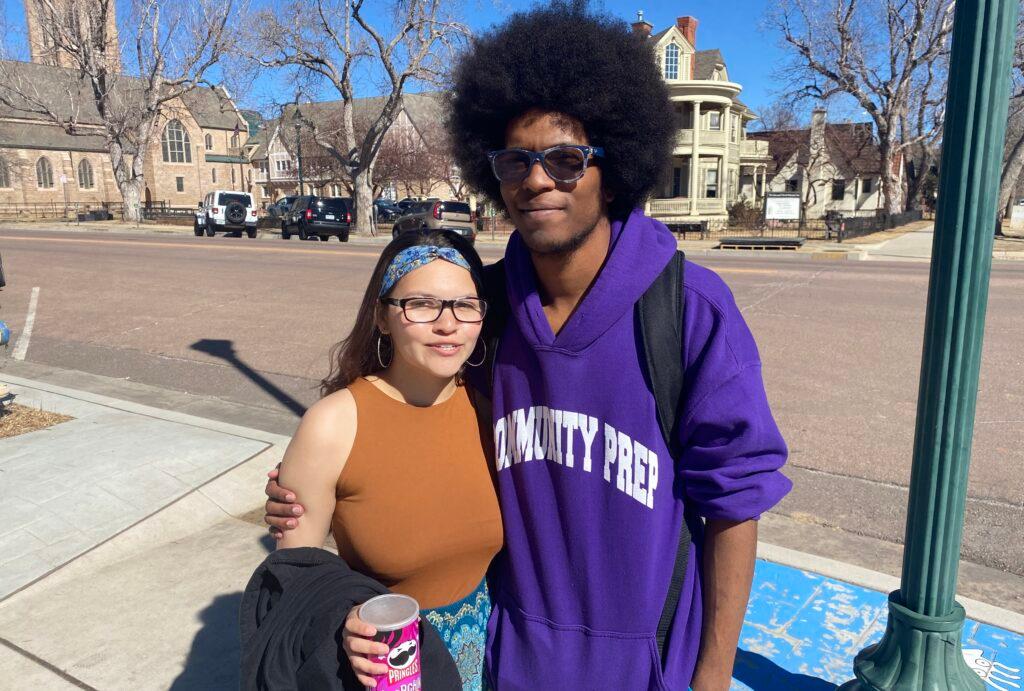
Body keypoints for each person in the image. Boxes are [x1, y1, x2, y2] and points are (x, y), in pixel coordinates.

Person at [266, 4, 792, 688]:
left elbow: (733, 501)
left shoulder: (688, 309)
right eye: (516, 160)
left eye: (566, 159)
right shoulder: (481, 312)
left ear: (613, 165)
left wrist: (714, 674)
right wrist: (310, 484)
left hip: (647, 660)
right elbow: (399, 407)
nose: (537, 179)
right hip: (507, 653)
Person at [270, 229, 503, 689]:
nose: (447, 324)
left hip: (491, 661)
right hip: (393, 668)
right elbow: (291, 582)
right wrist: (344, 623)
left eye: (465, 305)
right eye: (421, 304)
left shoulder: (490, 408)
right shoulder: (333, 424)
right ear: (382, 317)